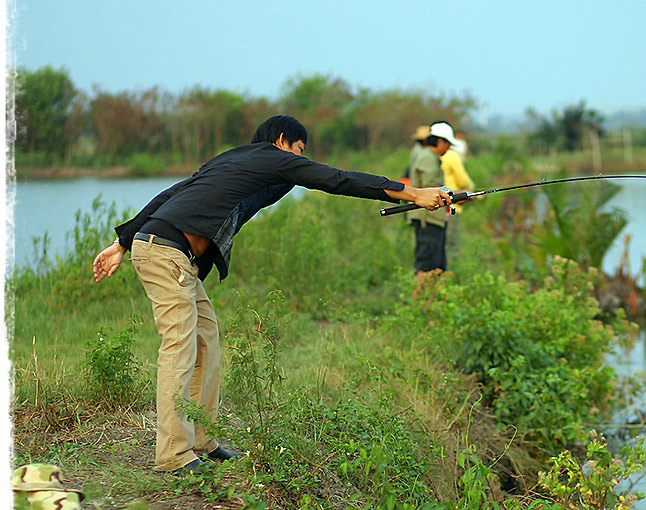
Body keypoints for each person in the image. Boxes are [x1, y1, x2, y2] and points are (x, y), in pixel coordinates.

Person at [91, 115, 452, 474]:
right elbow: (337, 179)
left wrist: (122, 243)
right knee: (180, 345)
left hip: (171, 254)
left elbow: (169, 195)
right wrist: (415, 194)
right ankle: (173, 455)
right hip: (164, 252)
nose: (300, 160)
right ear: (282, 141)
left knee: (207, 341)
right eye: (298, 151)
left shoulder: (233, 159)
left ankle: (203, 440)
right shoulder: (270, 158)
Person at [407, 121, 459, 276]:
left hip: (433, 218)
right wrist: (453, 195)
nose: (448, 148)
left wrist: (454, 195)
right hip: (427, 219)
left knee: (437, 265)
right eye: (448, 144)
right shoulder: (427, 158)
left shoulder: (430, 157)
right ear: (440, 141)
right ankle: (419, 299)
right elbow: (430, 188)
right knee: (426, 266)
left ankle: (432, 298)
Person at [439, 138, 475, 267]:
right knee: (451, 242)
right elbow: (463, 180)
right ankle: (450, 272)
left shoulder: (434, 156)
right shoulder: (452, 156)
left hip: (437, 205)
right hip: (453, 206)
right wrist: (470, 189)